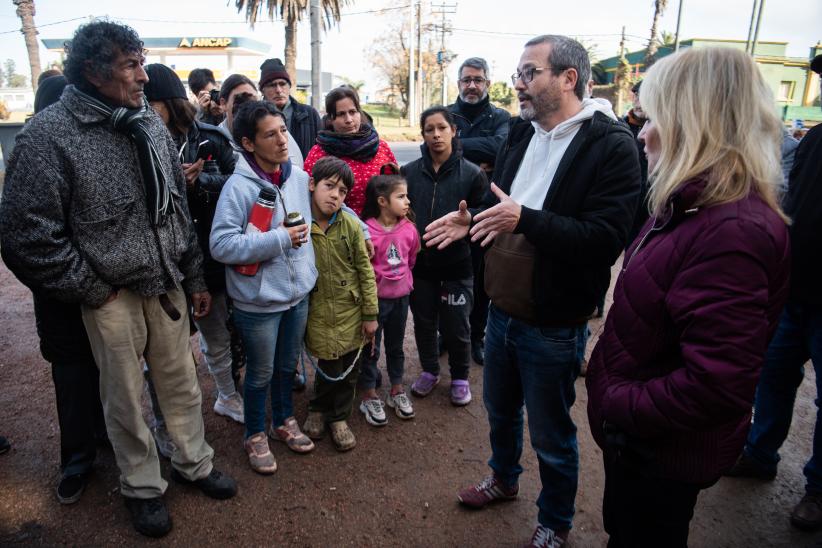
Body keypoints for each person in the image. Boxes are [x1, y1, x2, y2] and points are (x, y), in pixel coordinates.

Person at [0, 21, 236, 538]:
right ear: (93, 71)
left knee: (181, 385)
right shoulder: (48, 136)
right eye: (131, 65)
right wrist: (93, 288)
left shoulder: (147, 123)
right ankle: (143, 487)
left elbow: (174, 208)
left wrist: (193, 274)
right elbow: (25, 236)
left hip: (167, 283)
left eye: (140, 60)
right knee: (125, 399)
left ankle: (193, 463)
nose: (144, 76)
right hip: (109, 294)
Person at [425, 35, 641, 546]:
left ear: (568, 78)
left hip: (553, 320)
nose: (517, 84)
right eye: (518, 73)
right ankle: (502, 480)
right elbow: (509, 210)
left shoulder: (611, 145)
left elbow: (605, 239)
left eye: (529, 73)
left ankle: (555, 521)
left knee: (550, 433)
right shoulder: (521, 133)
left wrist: (527, 219)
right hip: (502, 307)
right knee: (499, 411)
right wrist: (473, 221)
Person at [585, 47, 791, 548]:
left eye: (652, 117)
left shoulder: (731, 231)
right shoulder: (695, 207)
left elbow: (715, 383)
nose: (641, 132)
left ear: (691, 122)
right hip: (644, 442)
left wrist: (617, 402)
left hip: (658, 449)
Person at [725, 54, 822, 532]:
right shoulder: (815, 141)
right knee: (774, 378)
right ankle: (760, 453)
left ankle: (818, 489)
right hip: (795, 289)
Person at [7, 73, 109, 506]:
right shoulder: (34, 149)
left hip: (105, 291)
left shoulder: (94, 145)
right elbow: (26, 239)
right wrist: (79, 281)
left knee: (111, 375)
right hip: (63, 298)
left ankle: (108, 437)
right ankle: (77, 461)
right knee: (72, 380)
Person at [210, 100, 317, 474]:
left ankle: (283, 421)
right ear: (248, 143)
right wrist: (280, 239)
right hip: (258, 302)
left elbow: (325, 211)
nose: (282, 140)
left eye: (283, 131)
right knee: (260, 373)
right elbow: (221, 245)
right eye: (270, 135)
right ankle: (255, 433)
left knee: (287, 367)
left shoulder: (300, 177)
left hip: (297, 296)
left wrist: (362, 229)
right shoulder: (238, 188)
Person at [143, 63, 241, 426]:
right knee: (164, 354)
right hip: (163, 263)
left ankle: (229, 397)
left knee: (217, 336)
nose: (142, 108)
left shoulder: (211, 137)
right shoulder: (136, 138)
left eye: (149, 101)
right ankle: (166, 422)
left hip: (209, 256)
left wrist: (204, 181)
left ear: (168, 101)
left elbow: (238, 181)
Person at [402, 106, 487, 407]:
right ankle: (429, 371)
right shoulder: (408, 173)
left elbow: (484, 214)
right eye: (429, 129)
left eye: (442, 128)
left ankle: (461, 378)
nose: (436, 135)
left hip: (457, 267)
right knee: (424, 324)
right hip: (420, 267)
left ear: (453, 131)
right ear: (422, 134)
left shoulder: (473, 174)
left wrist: (471, 219)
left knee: (457, 327)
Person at [301, 156, 378, 451]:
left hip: (351, 309)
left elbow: (365, 271)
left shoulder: (350, 224)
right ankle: (318, 408)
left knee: (349, 368)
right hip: (318, 310)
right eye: (329, 186)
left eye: (342, 191)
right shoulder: (300, 223)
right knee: (328, 363)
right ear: (312, 184)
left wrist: (370, 314)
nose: (335, 195)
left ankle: (339, 417)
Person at [448, 57, 511, 365]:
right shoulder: (445, 115)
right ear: (458, 82)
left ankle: (476, 335)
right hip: (450, 206)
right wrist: (481, 155)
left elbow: (501, 148)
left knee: (481, 276)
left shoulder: (501, 117)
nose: (471, 85)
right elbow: (438, 147)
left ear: (488, 83)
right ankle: (447, 333)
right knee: (447, 275)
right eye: (466, 80)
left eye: (478, 80)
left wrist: (459, 145)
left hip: (486, 210)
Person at [357, 173, 420, 425]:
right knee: (371, 347)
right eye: (401, 196)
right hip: (375, 302)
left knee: (396, 346)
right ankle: (369, 393)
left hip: (401, 299)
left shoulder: (410, 229)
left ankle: (396, 389)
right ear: (382, 201)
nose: (407, 202)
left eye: (407, 196)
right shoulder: (367, 230)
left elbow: (411, 259)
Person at [303, 86, 397, 216]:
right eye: (341, 114)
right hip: (337, 230)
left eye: (353, 112)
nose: (349, 120)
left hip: (380, 229)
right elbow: (307, 196)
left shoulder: (380, 147)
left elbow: (396, 187)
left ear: (360, 113)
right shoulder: (319, 152)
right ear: (330, 118)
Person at [216, 73, 303, 168]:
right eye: (240, 100)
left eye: (252, 100)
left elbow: (295, 168)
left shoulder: (277, 131)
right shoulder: (216, 141)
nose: (248, 107)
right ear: (223, 103)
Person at [259, 58, 322, 159]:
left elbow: (321, 151)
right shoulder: (255, 118)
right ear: (262, 90)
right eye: (272, 85)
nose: (279, 90)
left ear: (289, 86)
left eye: (282, 84)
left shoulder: (309, 114)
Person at [623, 81, 650, 246]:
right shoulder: (621, 127)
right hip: (627, 206)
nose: (639, 102)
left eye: (644, 96)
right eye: (637, 96)